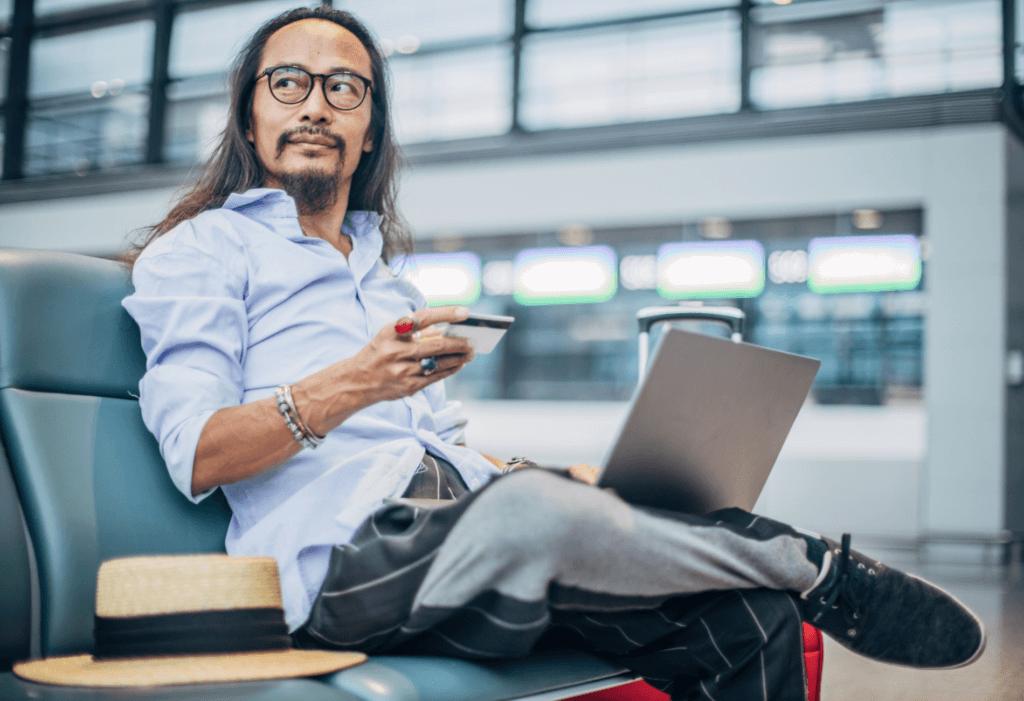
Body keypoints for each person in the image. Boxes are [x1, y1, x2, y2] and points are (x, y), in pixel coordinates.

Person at [121, 7, 985, 700]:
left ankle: (748, 564)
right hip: (339, 567)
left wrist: (548, 480)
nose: (315, 103)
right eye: (290, 82)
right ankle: (810, 563)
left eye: (345, 87)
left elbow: (435, 452)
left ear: (372, 127)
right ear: (250, 110)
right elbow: (199, 454)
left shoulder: (388, 283)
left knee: (747, 617)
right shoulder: (199, 253)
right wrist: (349, 386)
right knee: (532, 510)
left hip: (477, 547)